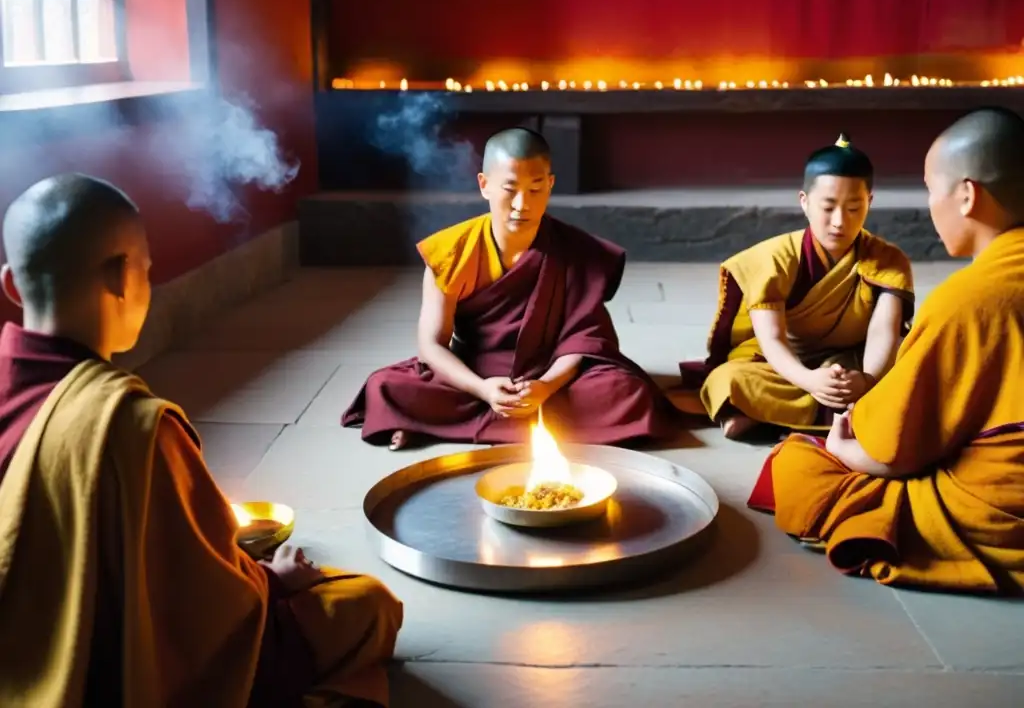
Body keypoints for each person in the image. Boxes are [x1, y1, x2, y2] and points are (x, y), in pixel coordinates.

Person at [0, 175, 402, 707]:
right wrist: (271, 580)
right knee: (366, 604)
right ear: (123, 276)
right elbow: (205, 607)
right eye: (147, 269)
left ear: (10, 284)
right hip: (109, 666)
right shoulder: (128, 424)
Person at [747, 107, 1024, 594]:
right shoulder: (777, 254)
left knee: (799, 464)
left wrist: (839, 444)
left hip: (1003, 506)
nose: (929, 205)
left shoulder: (969, 300)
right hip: (817, 368)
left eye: (930, 189)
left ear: (966, 196)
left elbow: (895, 453)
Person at [343, 127, 678, 450]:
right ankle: (529, 421)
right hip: (474, 372)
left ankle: (431, 423)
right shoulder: (452, 251)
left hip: (552, 372)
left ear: (550, 185)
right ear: (484, 185)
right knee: (385, 387)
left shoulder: (576, 250)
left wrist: (545, 386)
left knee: (626, 392)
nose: (522, 204)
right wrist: (483, 389)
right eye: (510, 189)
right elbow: (432, 345)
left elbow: (585, 338)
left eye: (535, 189)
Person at [679, 134, 914, 440]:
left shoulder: (888, 259)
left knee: (912, 373)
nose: (839, 221)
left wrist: (867, 381)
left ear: (869, 202)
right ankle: (843, 413)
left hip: (851, 360)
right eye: (828, 207)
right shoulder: (774, 258)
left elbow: (884, 330)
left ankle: (770, 415)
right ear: (804, 202)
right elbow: (773, 339)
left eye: (854, 208)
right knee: (728, 380)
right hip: (784, 363)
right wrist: (809, 380)